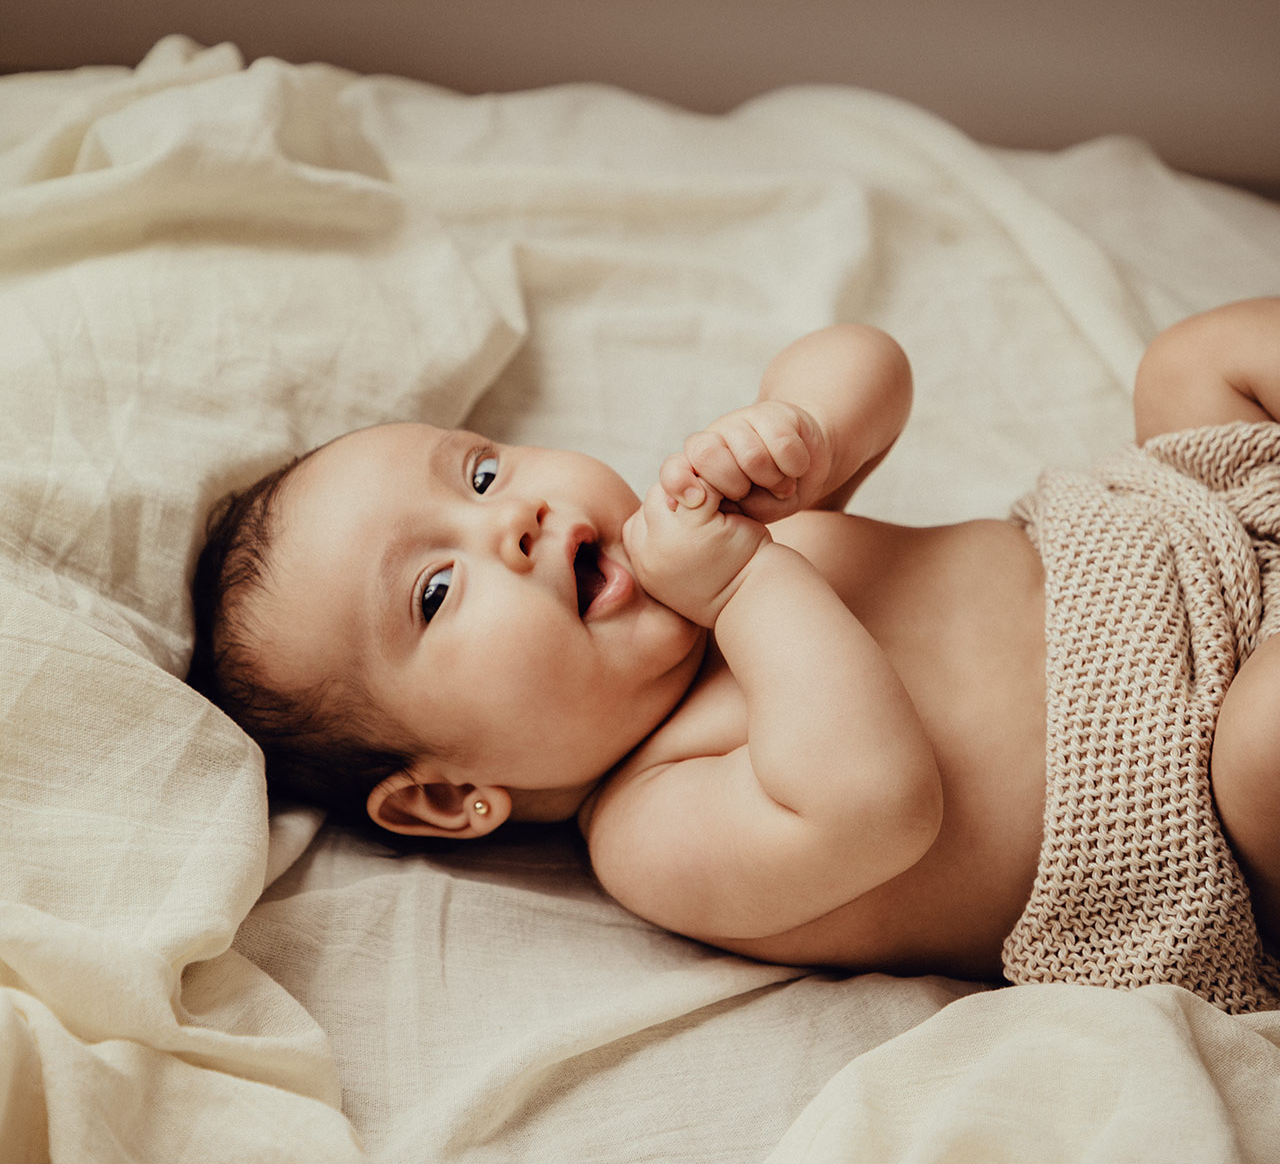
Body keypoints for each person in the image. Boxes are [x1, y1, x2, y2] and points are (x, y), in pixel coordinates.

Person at [188, 302, 1280, 1011]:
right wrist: (747, 581)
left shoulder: (712, 535)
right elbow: (877, 800)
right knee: (1263, 746)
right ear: (443, 795)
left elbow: (871, 363)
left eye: (478, 476)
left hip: (1210, 536)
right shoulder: (650, 829)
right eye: (433, 592)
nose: (510, 520)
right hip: (1214, 807)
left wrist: (795, 425)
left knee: (1192, 363)